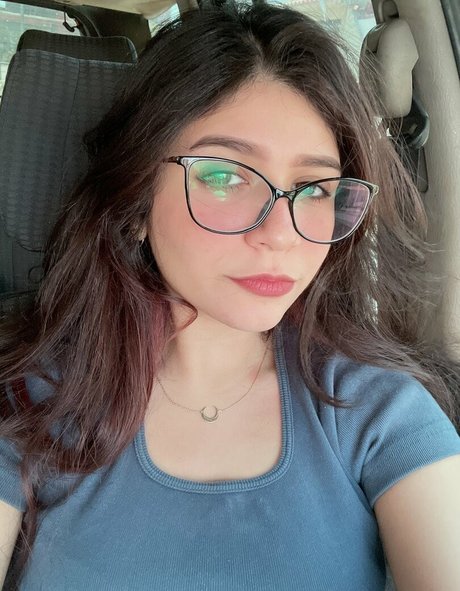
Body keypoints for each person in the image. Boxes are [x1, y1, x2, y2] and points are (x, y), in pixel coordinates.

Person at [0, 2, 459, 590]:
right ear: (135, 203)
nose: (280, 233)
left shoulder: (380, 410)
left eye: (314, 188)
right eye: (223, 176)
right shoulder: (27, 403)